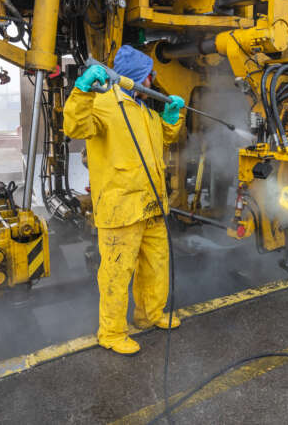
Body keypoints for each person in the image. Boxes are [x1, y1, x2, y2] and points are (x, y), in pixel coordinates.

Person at [63, 45, 185, 355]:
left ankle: (150, 315)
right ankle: (112, 332)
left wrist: (171, 119)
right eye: (150, 75)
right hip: (121, 209)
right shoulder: (102, 106)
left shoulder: (145, 111)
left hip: (152, 206)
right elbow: (74, 126)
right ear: (139, 78)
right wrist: (82, 90)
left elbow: (164, 140)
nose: (155, 79)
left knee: (156, 266)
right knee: (117, 273)